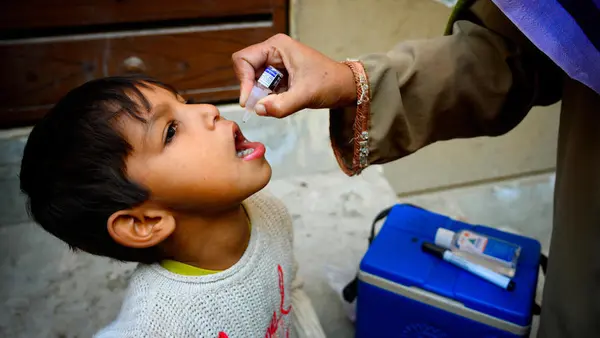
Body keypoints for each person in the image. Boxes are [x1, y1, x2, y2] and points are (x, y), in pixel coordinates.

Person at [232, 0, 600, 337]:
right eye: (173, 130)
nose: (207, 112)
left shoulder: (274, 220)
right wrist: (349, 81)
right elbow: (516, 55)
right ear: (168, 220)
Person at [19, 76, 325, 337]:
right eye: (170, 131)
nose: (209, 110)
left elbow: (290, 291)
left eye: (187, 102)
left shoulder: (268, 212)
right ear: (144, 223)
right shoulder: (160, 323)